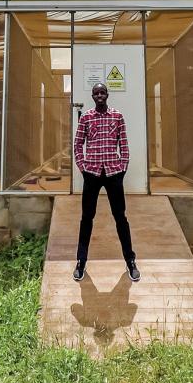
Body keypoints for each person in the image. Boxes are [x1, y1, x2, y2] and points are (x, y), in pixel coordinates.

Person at [72, 82, 140, 283]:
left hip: (113, 173)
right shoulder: (86, 117)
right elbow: (77, 144)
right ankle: (80, 261)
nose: (99, 95)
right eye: (96, 93)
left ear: (107, 95)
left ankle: (131, 261)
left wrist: (123, 167)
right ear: (92, 96)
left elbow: (124, 143)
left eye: (102, 92)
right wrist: (82, 167)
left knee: (120, 217)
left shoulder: (117, 116)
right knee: (87, 218)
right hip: (91, 173)